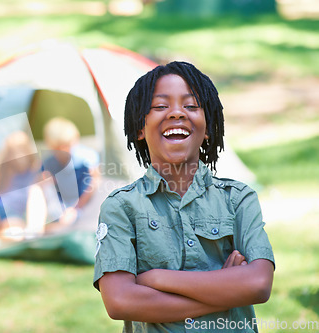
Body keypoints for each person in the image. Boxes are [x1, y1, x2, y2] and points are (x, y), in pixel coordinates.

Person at [93, 61, 275, 332]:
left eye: (191, 106)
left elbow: (258, 285)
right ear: (140, 128)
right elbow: (120, 301)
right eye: (160, 106)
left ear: (209, 126)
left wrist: (155, 279)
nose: (176, 113)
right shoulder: (121, 206)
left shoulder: (238, 199)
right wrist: (227, 288)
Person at [41, 117, 100, 229]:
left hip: (83, 206)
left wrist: (76, 208)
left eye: (68, 145)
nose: (66, 149)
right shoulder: (49, 163)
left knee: (66, 223)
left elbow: (94, 184)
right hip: (60, 208)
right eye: (60, 147)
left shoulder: (87, 158)